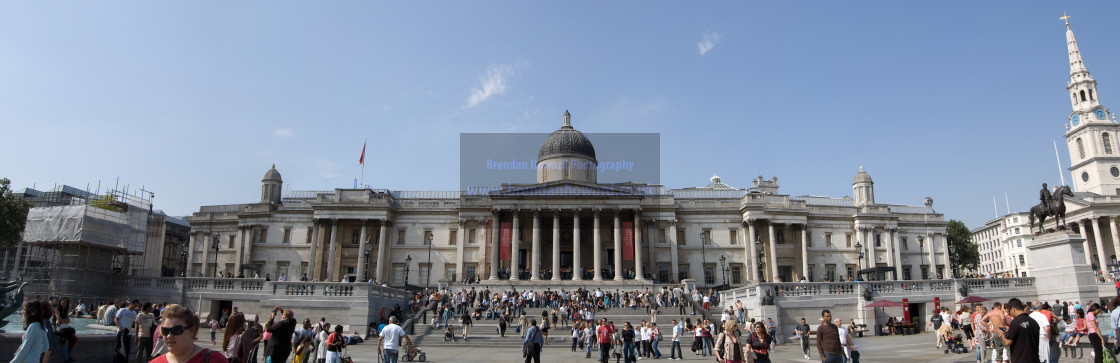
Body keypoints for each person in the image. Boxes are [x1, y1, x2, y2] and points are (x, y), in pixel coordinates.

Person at [149, 304, 229, 363]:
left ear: (192, 330)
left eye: (176, 330)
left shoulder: (215, 360)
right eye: (165, 331)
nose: (169, 336)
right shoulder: (156, 362)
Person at [999, 298, 1040, 363]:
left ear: (1013, 309)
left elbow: (1008, 342)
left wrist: (1001, 334)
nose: (1010, 314)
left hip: (1020, 359)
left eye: (1009, 311)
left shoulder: (1015, 322)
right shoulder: (1033, 321)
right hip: (1034, 358)